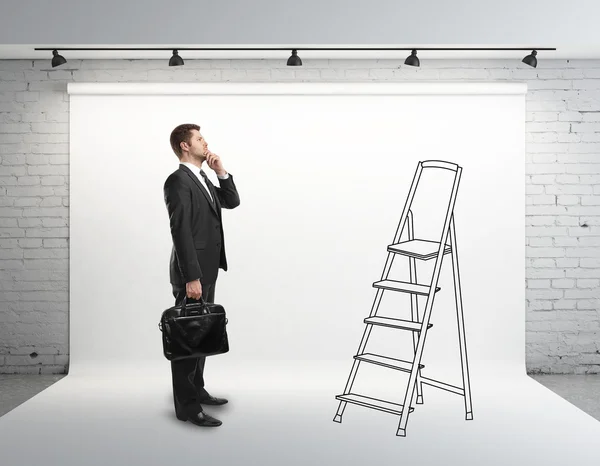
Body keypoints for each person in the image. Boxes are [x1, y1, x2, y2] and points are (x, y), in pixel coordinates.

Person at [163, 123, 240, 427]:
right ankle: (187, 407)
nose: (205, 142)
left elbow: (231, 201)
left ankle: (198, 389)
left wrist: (221, 171)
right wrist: (190, 276)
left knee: (202, 332)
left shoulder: (203, 177)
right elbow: (180, 230)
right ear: (185, 146)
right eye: (199, 138)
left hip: (208, 269)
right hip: (191, 273)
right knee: (186, 337)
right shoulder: (178, 181)